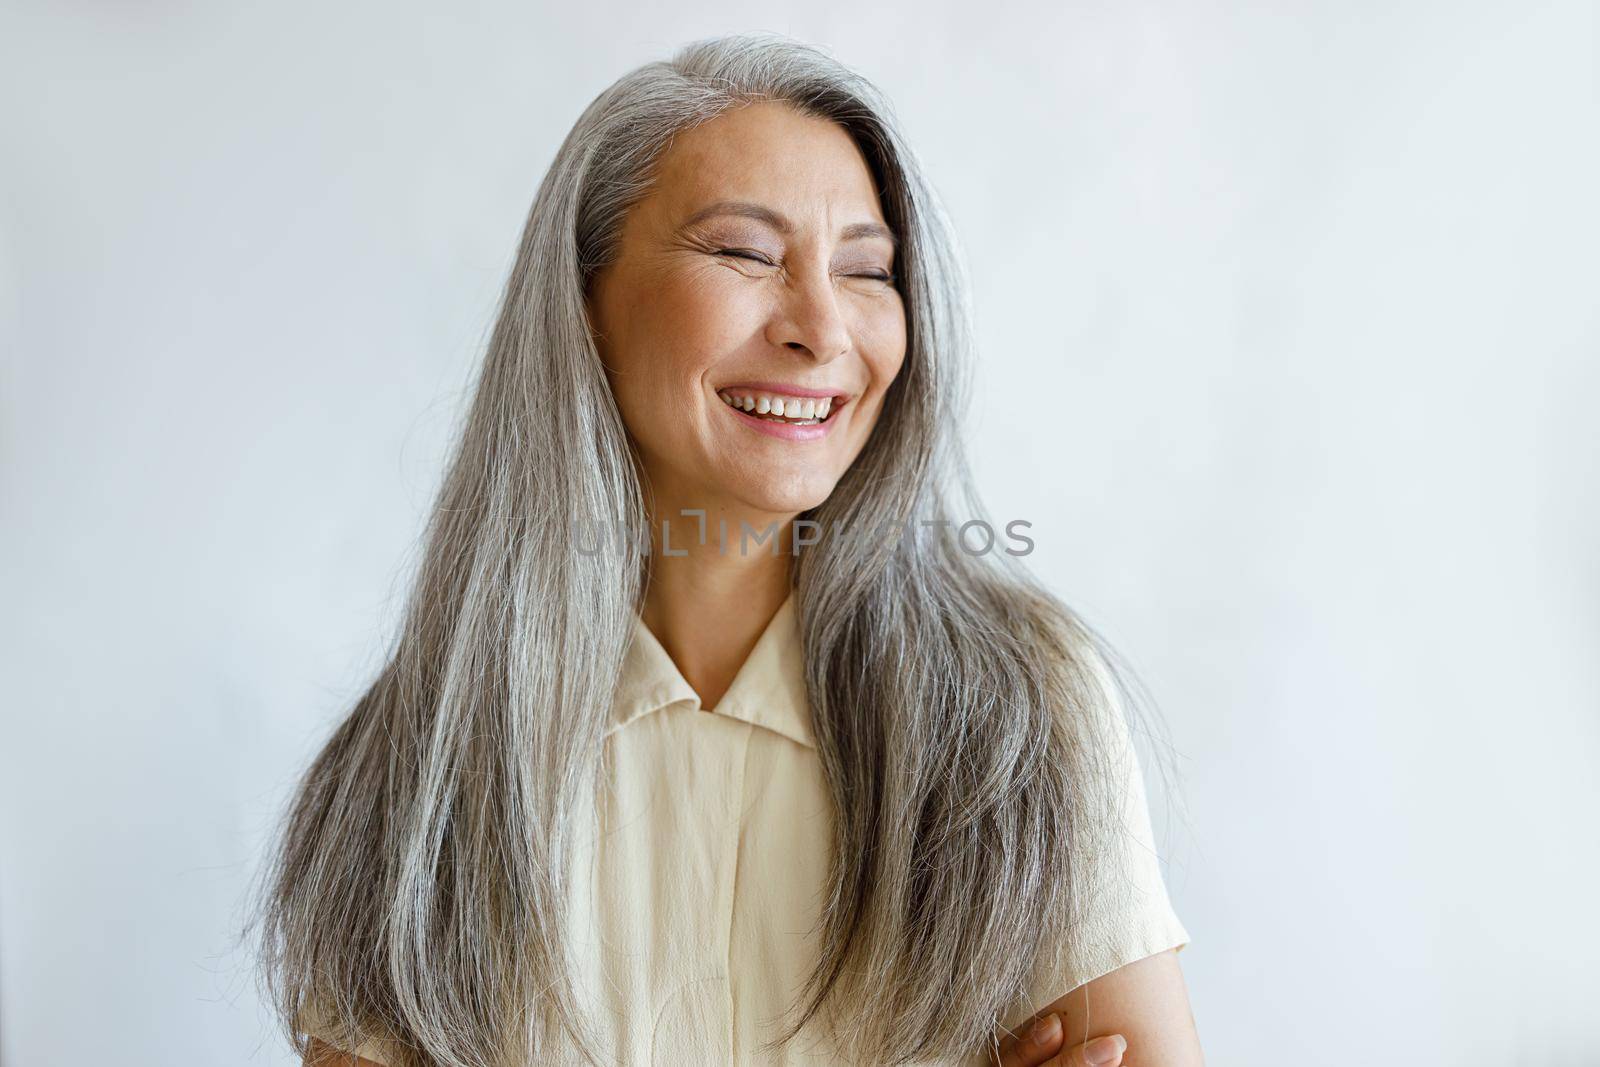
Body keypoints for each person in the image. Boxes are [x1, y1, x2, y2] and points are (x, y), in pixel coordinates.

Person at [251, 32, 1204, 1067]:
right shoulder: (418, 762)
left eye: (868, 270)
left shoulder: (1021, 706)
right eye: (745, 253)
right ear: (582, 304)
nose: (823, 327)